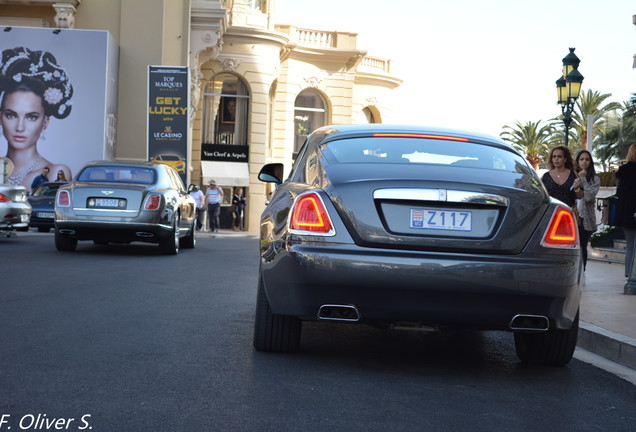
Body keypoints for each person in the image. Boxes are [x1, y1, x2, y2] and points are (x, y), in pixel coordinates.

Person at [1, 47, 73, 188]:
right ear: (0, 117)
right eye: (11, 115)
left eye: (31, 117)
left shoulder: (55, 173)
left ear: (45, 122)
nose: (20, 127)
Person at [574, 150, 600, 271]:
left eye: (587, 159)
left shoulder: (594, 179)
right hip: (572, 216)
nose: (584, 162)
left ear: (590, 162)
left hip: (585, 219)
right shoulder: (571, 176)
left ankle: (581, 273)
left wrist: (583, 179)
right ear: (577, 161)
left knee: (582, 246)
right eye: (582, 159)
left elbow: (589, 196)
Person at [615, 143, 636, 278]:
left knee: (629, 246)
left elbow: (619, 193)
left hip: (627, 213)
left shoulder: (623, 171)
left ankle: (629, 274)